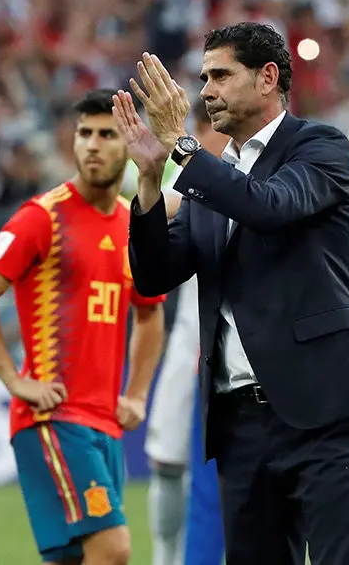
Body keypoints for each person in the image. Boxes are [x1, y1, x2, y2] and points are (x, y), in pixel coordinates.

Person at [114, 21, 349, 565]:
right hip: (240, 421)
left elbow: (269, 207)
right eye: (203, 78)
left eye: (221, 75)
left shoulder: (321, 146)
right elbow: (154, 275)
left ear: (268, 77)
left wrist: (182, 147)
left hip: (323, 411)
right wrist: (151, 181)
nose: (205, 91)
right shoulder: (215, 175)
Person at [0, 89, 166, 565]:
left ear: (131, 143)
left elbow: (150, 312)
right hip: (54, 418)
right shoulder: (43, 217)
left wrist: (136, 394)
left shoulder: (134, 225)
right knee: (113, 550)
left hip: (104, 424)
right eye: (84, 133)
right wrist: (14, 379)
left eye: (107, 135)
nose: (92, 144)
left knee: (75, 560)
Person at [144, 98, 229, 565]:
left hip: (237, 340)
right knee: (168, 457)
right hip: (188, 337)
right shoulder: (185, 169)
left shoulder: (248, 168)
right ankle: (166, 557)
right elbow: (163, 209)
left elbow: (177, 205)